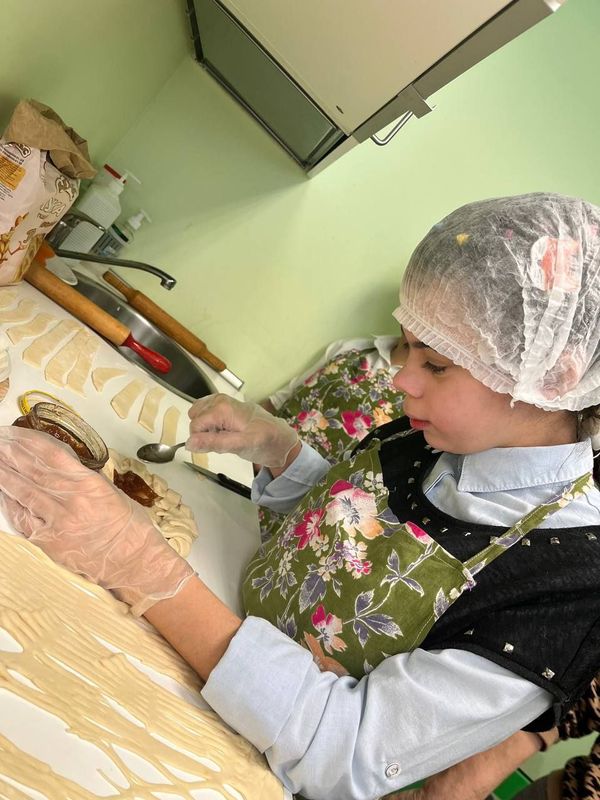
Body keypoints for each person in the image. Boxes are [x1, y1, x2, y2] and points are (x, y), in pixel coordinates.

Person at [2, 192, 600, 800]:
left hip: (238, 758)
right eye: (407, 347)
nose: (401, 379)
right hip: (202, 638)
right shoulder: (444, 433)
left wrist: (141, 566)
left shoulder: (567, 583)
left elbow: (345, 748)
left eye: (438, 364)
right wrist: (283, 456)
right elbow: (358, 550)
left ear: (554, 379)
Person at [258, 333, 407, 540]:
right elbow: (277, 403)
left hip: (302, 518)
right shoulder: (353, 347)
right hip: (250, 472)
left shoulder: (416, 405)